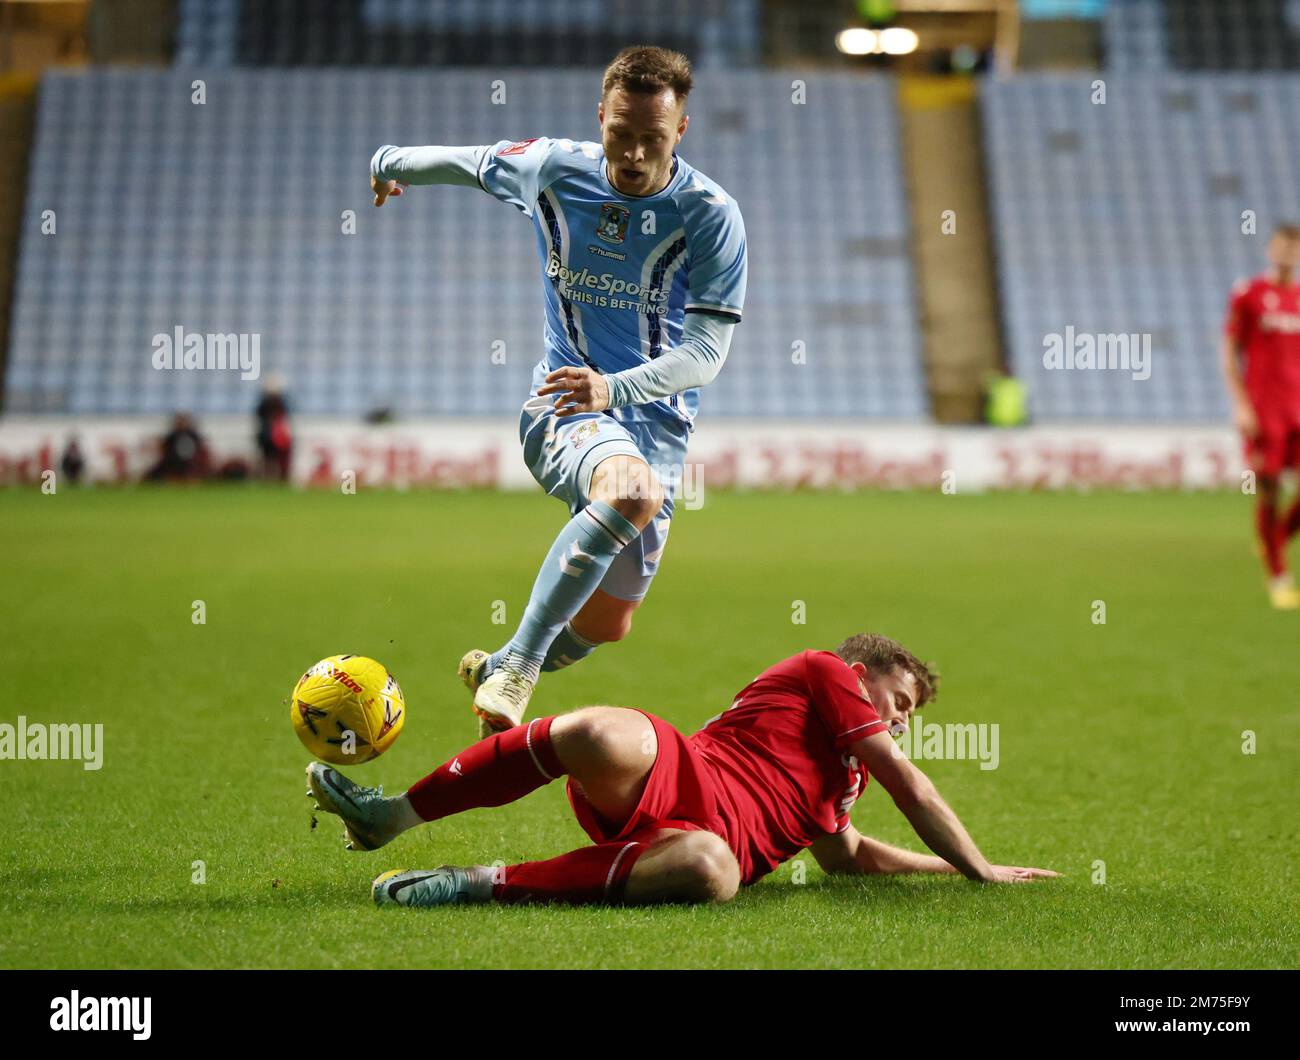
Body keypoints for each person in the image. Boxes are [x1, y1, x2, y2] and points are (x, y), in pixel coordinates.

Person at [368, 45, 747, 737]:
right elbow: (467, 162)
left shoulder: (710, 214)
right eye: (620, 134)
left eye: (652, 140)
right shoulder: (554, 167)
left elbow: (705, 354)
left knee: (609, 622)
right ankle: (518, 664)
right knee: (631, 493)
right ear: (599, 116)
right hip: (565, 402)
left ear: (681, 132)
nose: (633, 155)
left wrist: (618, 388)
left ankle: (498, 667)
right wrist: (388, 162)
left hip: (651, 422)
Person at [306, 633, 1059, 908]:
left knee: (711, 870)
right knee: (600, 733)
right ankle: (390, 814)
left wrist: (944, 869)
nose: (898, 722)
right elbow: (913, 784)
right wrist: (978, 870)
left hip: (700, 845)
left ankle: (477, 883)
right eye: (898, 702)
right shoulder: (825, 670)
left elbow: (850, 855)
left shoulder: (846, 782)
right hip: (678, 770)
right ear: (862, 675)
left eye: (908, 718)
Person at [1222, 222, 1300, 609]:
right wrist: (1240, 404)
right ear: (1271, 250)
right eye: (1281, 247)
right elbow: (1229, 350)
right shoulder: (1249, 294)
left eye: (1293, 248)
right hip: (1264, 409)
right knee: (1268, 488)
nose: (1287, 254)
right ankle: (1279, 577)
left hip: (1298, 407)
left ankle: (1275, 540)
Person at [144, 412, 209, 482]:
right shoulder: (172, 436)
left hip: (191, 463)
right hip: (172, 462)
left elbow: (201, 450)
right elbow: (164, 449)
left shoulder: (194, 436)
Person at [254, 376, 292, 481]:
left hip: (272, 435)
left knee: (272, 459)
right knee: (270, 459)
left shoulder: (268, 402)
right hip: (269, 436)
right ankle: (272, 478)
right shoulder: (273, 402)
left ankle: (273, 478)